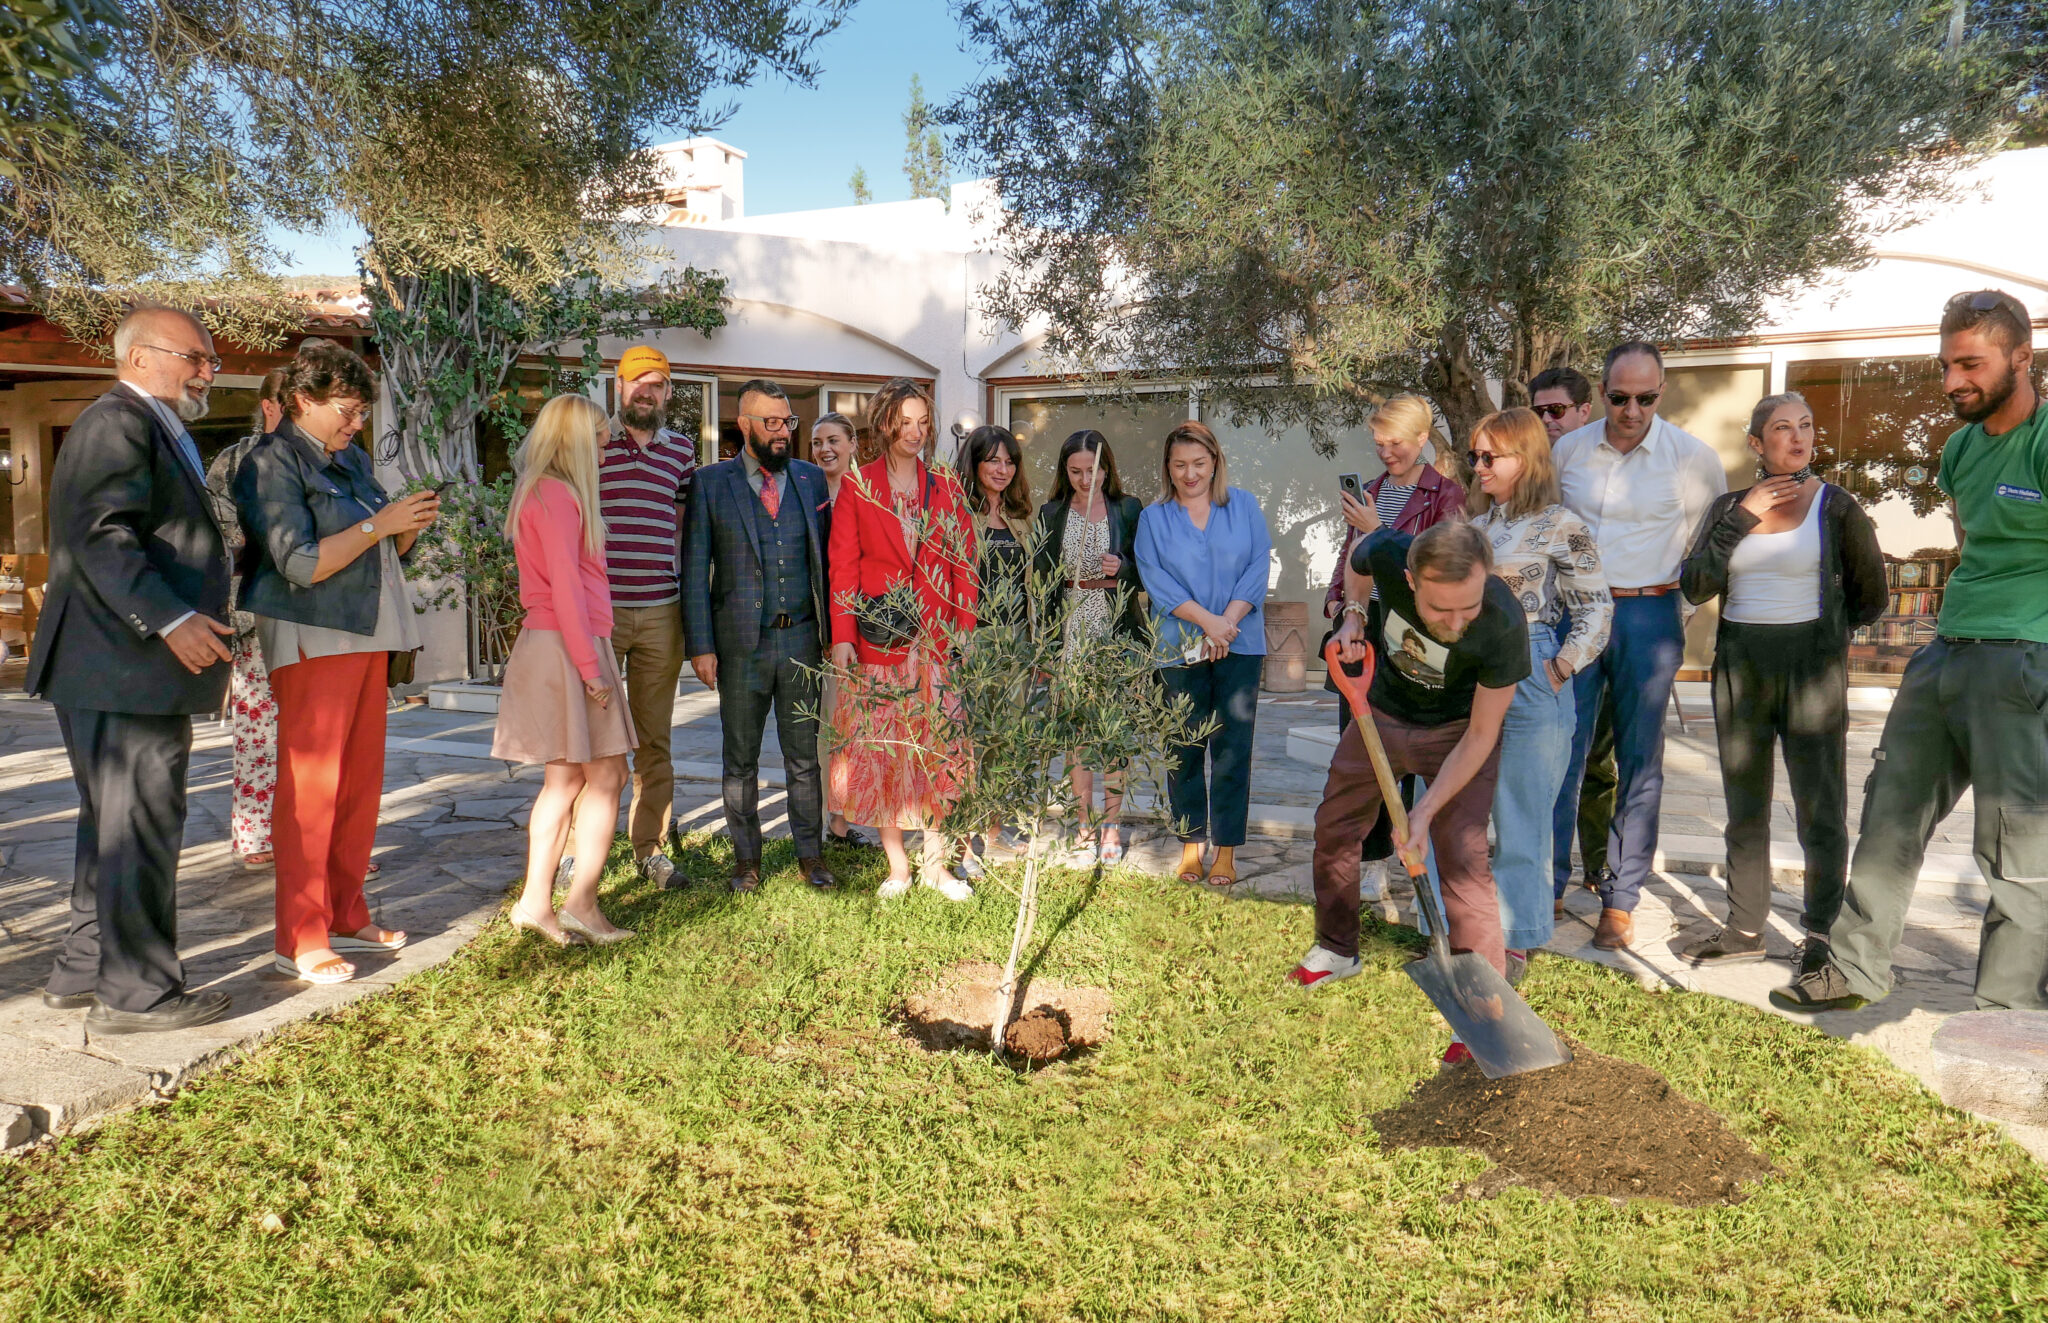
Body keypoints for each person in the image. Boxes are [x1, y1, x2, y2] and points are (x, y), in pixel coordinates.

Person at [1777, 290, 2048, 1013]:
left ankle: (2006, 1005)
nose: (1953, 380)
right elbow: (1969, 544)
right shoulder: (1960, 449)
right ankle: (1855, 969)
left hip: (2024, 655)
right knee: (1891, 804)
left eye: (1971, 363)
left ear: (2022, 357)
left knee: (2013, 839)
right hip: (1947, 649)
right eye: (1945, 364)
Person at [28, 307, 236, 1032]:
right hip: (124, 663)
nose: (209, 371)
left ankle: (83, 969)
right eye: (197, 357)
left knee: (113, 823)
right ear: (142, 356)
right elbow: (100, 534)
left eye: (210, 360)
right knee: (141, 821)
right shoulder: (118, 420)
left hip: (112, 666)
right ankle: (138, 994)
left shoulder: (139, 421)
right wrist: (173, 618)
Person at [235, 339, 434, 984]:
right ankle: (299, 936)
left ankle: (347, 913)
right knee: (312, 790)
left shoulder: (349, 460)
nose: (356, 423)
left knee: (358, 784)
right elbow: (300, 562)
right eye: (346, 410)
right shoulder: (272, 461)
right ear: (301, 400)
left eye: (359, 412)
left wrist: (405, 528)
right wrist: (383, 526)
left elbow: (379, 549)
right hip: (313, 634)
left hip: (367, 634)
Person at [1293, 522, 1529, 1065]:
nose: (1455, 623)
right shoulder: (1390, 550)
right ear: (1409, 580)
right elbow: (1358, 557)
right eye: (1440, 609)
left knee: (1464, 864)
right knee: (1335, 828)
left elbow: (1482, 734)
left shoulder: (1501, 622)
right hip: (1377, 711)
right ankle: (1336, 947)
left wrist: (1423, 810)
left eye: (1466, 607)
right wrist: (1353, 614)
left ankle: (1484, 1014)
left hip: (1456, 733)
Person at [1678, 392, 1884, 972]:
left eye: (1806, 427)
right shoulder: (1727, 508)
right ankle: (1745, 929)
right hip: (1742, 666)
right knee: (1746, 807)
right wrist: (1744, 516)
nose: (1798, 438)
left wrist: (1822, 645)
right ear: (1755, 443)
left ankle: (1821, 933)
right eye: (1782, 428)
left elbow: (1872, 598)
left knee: (1820, 806)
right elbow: (1695, 585)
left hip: (1811, 670)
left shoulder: (1836, 506)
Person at [1552, 341, 1727, 950]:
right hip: (1575, 616)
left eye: (1646, 398)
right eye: (1620, 397)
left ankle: (1620, 899)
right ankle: (1545, 882)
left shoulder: (1692, 458)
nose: (1632, 409)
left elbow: (1706, 552)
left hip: (1648, 613)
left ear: (1662, 393)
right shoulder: (1567, 451)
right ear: (1602, 393)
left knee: (1638, 760)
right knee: (1559, 751)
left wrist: (1670, 613)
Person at [1465, 408, 1611, 972]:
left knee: (1523, 813)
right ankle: (1462, 926)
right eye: (1475, 456)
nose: (1478, 466)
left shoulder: (1562, 526)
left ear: (1523, 460)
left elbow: (1596, 609)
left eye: (1488, 456)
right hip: (1475, 675)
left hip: (1533, 668)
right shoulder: (1476, 531)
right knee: (1462, 808)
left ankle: (1516, 939)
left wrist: (1559, 669)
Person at [492, 394, 638, 945]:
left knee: (584, 775)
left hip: (563, 644)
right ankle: (573, 904)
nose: (607, 448)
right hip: (567, 647)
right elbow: (567, 590)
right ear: (577, 440)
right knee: (594, 775)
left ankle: (545, 903)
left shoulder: (548, 493)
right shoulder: (557, 495)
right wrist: (592, 668)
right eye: (600, 439)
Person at [681, 379, 836, 893]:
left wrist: (835, 635)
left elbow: (828, 565)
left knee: (804, 758)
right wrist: (700, 645)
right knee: (739, 759)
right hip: (739, 645)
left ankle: (810, 855)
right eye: (770, 422)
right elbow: (696, 566)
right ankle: (746, 861)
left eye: (787, 422)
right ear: (744, 424)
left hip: (802, 641)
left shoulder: (812, 480)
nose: (781, 432)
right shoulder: (711, 483)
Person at [828, 378, 978, 899]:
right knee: (883, 752)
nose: (915, 432)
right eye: (905, 422)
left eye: (923, 422)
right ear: (885, 423)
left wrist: (964, 627)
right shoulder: (857, 484)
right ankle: (898, 868)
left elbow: (964, 561)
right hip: (879, 639)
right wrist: (842, 635)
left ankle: (936, 865)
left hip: (936, 642)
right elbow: (843, 565)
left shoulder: (946, 484)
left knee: (940, 751)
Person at [1320, 394, 1467, 899]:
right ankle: (1375, 858)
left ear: (1423, 439)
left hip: (1414, 631)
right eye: (1379, 443)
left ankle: (1423, 848)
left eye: (1396, 443)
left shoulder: (1445, 496)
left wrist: (1376, 531)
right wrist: (1344, 609)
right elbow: (1352, 556)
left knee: (1410, 743)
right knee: (1364, 744)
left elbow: (1440, 567)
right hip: (1363, 625)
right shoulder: (1372, 490)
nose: (1386, 452)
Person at [1134, 420, 1271, 888]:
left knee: (1233, 749)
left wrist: (1226, 623)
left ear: (1215, 462)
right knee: (1184, 746)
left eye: (1199, 463)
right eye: (1179, 465)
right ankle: (1191, 846)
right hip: (1178, 647)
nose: (1190, 474)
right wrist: (1208, 623)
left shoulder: (1245, 506)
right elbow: (1156, 580)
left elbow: (1257, 566)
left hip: (1240, 643)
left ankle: (1226, 849)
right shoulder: (1154, 517)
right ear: (1168, 469)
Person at [600, 345, 698, 887]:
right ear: (620, 386)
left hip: (662, 611)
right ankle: (573, 851)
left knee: (654, 737)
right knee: (590, 737)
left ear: (667, 392)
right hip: (602, 612)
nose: (647, 391)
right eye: (638, 382)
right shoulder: (594, 445)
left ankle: (649, 849)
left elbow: (682, 526)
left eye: (657, 384)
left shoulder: (681, 452)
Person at [1036, 430, 1146, 867]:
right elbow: (1044, 585)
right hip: (1071, 625)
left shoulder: (1127, 508)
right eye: (1075, 471)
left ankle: (1112, 827)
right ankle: (1082, 825)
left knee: (1112, 732)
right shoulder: (1052, 512)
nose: (1085, 479)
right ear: (1065, 471)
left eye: (1093, 470)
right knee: (1076, 734)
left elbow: (1148, 568)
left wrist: (1124, 567)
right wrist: (1045, 645)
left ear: (1107, 468)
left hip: (1114, 625)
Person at [1532, 366, 1617, 893]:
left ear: (1586, 410)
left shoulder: (1605, 459)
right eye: (1539, 411)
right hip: (1562, 615)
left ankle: (1599, 864)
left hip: (1623, 609)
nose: (1547, 420)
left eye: (1556, 410)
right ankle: (1553, 877)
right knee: (1566, 747)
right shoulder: (1538, 467)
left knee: (1606, 753)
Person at [206, 367, 288, 870]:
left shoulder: (337, 460)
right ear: (269, 406)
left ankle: (327, 837)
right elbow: (222, 537)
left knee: (321, 732)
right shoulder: (235, 462)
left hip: (322, 615)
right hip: (256, 606)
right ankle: (256, 833)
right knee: (259, 727)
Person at [952, 423, 1036, 878]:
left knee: (1006, 741)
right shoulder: (957, 513)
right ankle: (965, 843)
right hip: (972, 642)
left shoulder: (1022, 517)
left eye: (1009, 461)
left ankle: (994, 826)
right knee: (969, 743)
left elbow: (1033, 586)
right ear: (975, 463)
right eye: (993, 460)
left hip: (1015, 642)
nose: (1002, 469)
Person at [811, 411, 877, 850]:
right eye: (817, 443)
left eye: (833, 439)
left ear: (853, 444)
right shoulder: (807, 493)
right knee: (829, 730)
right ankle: (831, 823)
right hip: (819, 629)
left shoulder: (870, 495)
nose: (824, 449)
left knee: (865, 729)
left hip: (867, 631)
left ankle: (868, 811)